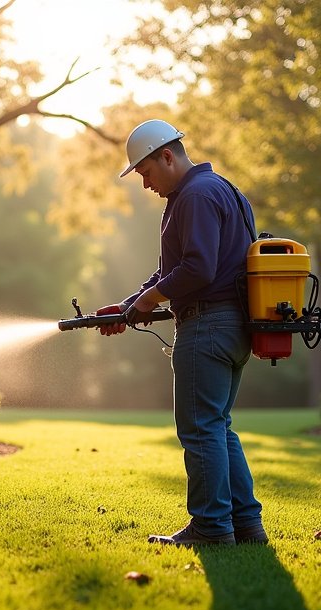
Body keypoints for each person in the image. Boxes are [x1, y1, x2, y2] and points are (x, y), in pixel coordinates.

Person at [97, 119, 267, 546]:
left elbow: (198, 269)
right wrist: (132, 303)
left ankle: (211, 527)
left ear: (166, 155)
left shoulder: (194, 195)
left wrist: (152, 299)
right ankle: (246, 525)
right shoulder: (221, 190)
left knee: (200, 428)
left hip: (208, 326)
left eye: (146, 173)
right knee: (217, 426)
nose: (146, 184)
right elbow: (174, 269)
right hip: (233, 326)